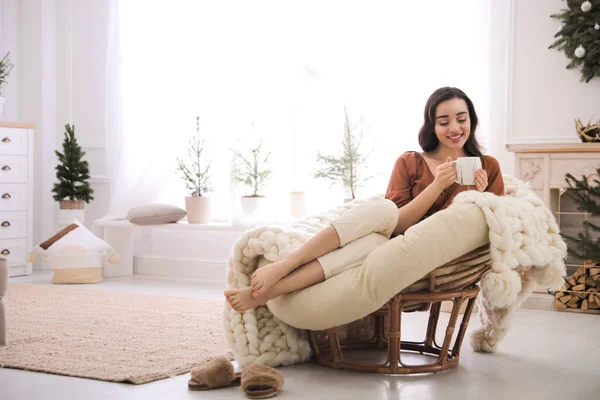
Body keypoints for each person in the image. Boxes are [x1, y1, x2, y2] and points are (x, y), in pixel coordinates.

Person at [225, 86, 505, 312]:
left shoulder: (487, 167)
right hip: (391, 239)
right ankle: (281, 272)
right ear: (432, 126)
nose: (454, 128)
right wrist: (436, 185)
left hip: (428, 257)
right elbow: (396, 224)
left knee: (373, 244)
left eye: (461, 118)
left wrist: (475, 197)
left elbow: (486, 228)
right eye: (444, 122)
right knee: (376, 227)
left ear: (472, 120)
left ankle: (270, 288)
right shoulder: (410, 162)